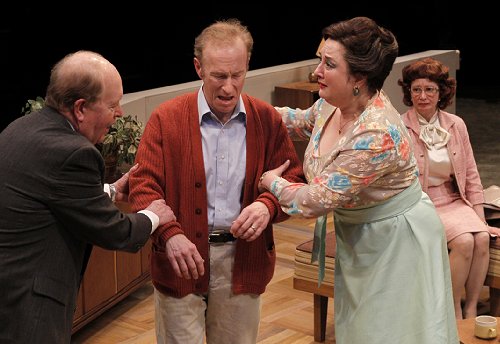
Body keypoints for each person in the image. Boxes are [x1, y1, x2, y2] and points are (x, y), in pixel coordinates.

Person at [259, 17, 458, 343]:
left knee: (389, 331)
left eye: (329, 64)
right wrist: (250, 110)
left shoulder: (374, 132)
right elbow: (300, 122)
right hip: (362, 235)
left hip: (396, 241)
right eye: (319, 60)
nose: (316, 71)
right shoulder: (331, 103)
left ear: (359, 78)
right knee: (363, 326)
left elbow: (314, 201)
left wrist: (272, 182)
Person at [128, 19, 304, 344]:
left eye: (237, 75)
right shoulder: (165, 119)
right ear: (198, 67)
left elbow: (293, 180)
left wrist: (267, 206)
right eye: (218, 76)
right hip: (179, 259)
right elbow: (143, 186)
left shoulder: (266, 120)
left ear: (247, 66)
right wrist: (169, 235)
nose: (228, 87)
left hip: (243, 261)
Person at [0, 50, 175, 344]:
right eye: (112, 104)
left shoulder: (19, 129)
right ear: (80, 108)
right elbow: (117, 233)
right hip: (30, 311)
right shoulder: (74, 153)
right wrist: (155, 214)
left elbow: (52, 194)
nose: (119, 113)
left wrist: (111, 190)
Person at [398, 57, 493, 319]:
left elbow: (471, 175)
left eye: (430, 89)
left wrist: (479, 218)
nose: (423, 96)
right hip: (422, 202)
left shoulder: (455, 124)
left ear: (442, 93)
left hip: (453, 198)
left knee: (482, 237)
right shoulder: (399, 126)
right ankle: (450, 310)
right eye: (416, 89)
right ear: (409, 92)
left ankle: (472, 307)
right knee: (464, 241)